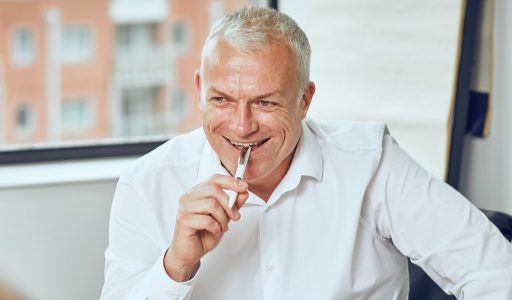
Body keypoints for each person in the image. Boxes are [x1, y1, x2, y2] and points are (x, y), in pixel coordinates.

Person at [100, 6, 512, 300]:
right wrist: (176, 266)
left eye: (265, 103)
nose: (241, 127)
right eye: (222, 99)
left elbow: (495, 274)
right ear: (199, 90)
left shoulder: (372, 163)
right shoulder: (147, 183)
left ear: (304, 99)